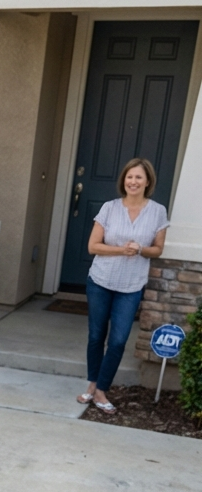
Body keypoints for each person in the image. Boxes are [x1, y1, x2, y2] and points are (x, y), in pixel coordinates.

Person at [78, 157, 168, 414]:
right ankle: (93, 384)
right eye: (130, 177)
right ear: (124, 180)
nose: (133, 181)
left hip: (131, 286)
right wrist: (121, 249)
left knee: (117, 341)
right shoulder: (109, 208)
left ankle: (102, 390)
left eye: (139, 177)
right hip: (101, 280)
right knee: (96, 336)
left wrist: (141, 249)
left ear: (147, 181)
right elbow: (93, 246)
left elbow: (157, 249)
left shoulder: (158, 212)